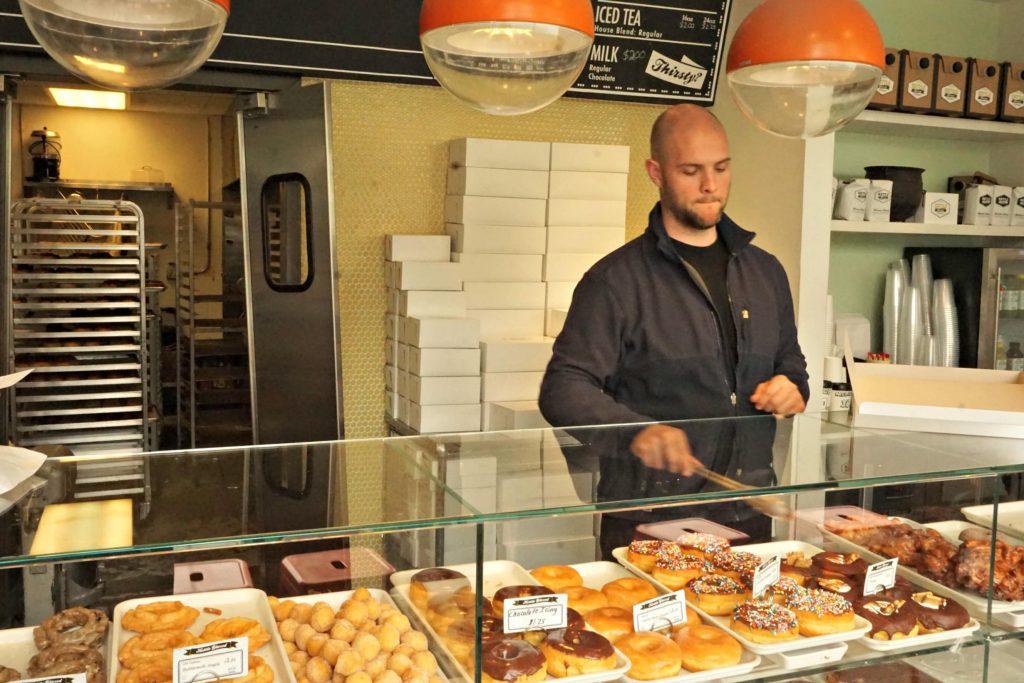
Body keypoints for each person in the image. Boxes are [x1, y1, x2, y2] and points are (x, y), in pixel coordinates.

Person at [538, 103, 809, 559]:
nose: (710, 185)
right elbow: (563, 389)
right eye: (691, 171)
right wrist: (636, 432)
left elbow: (790, 361)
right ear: (656, 172)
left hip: (750, 513)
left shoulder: (766, 273)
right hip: (651, 521)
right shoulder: (615, 281)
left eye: (721, 168)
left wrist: (792, 387)